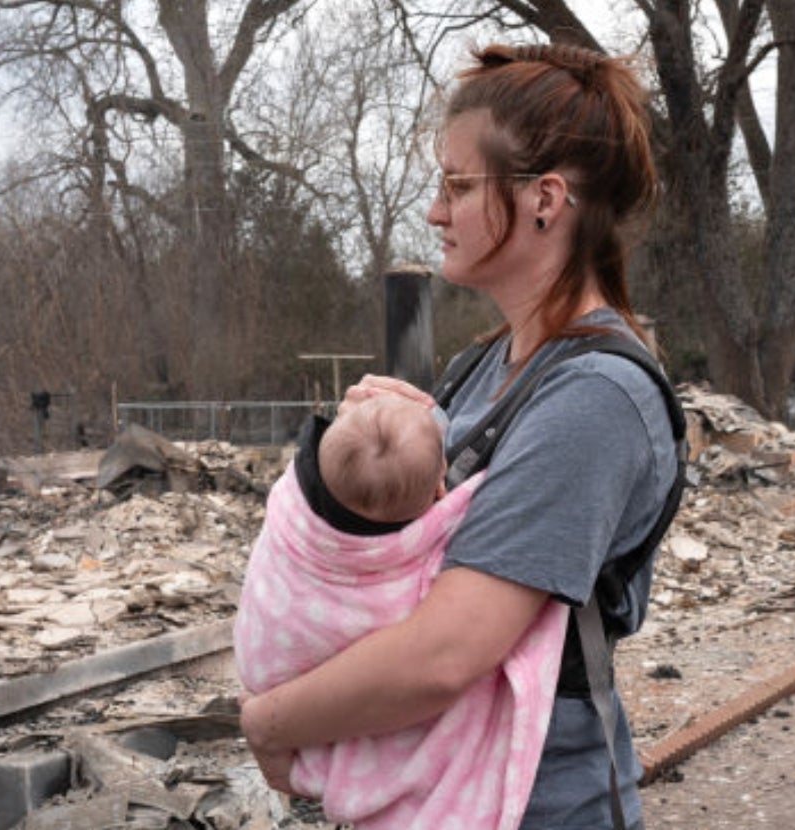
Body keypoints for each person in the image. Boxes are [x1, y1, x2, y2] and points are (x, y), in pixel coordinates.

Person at [240, 42, 678, 830]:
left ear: (545, 199)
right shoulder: (481, 367)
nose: (436, 211)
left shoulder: (594, 399)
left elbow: (447, 655)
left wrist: (268, 723)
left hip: (535, 809)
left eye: (458, 186)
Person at [234, 394, 569, 829]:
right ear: (439, 485)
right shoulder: (434, 532)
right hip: (307, 696)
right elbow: (480, 503)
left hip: (267, 669)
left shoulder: (292, 503)